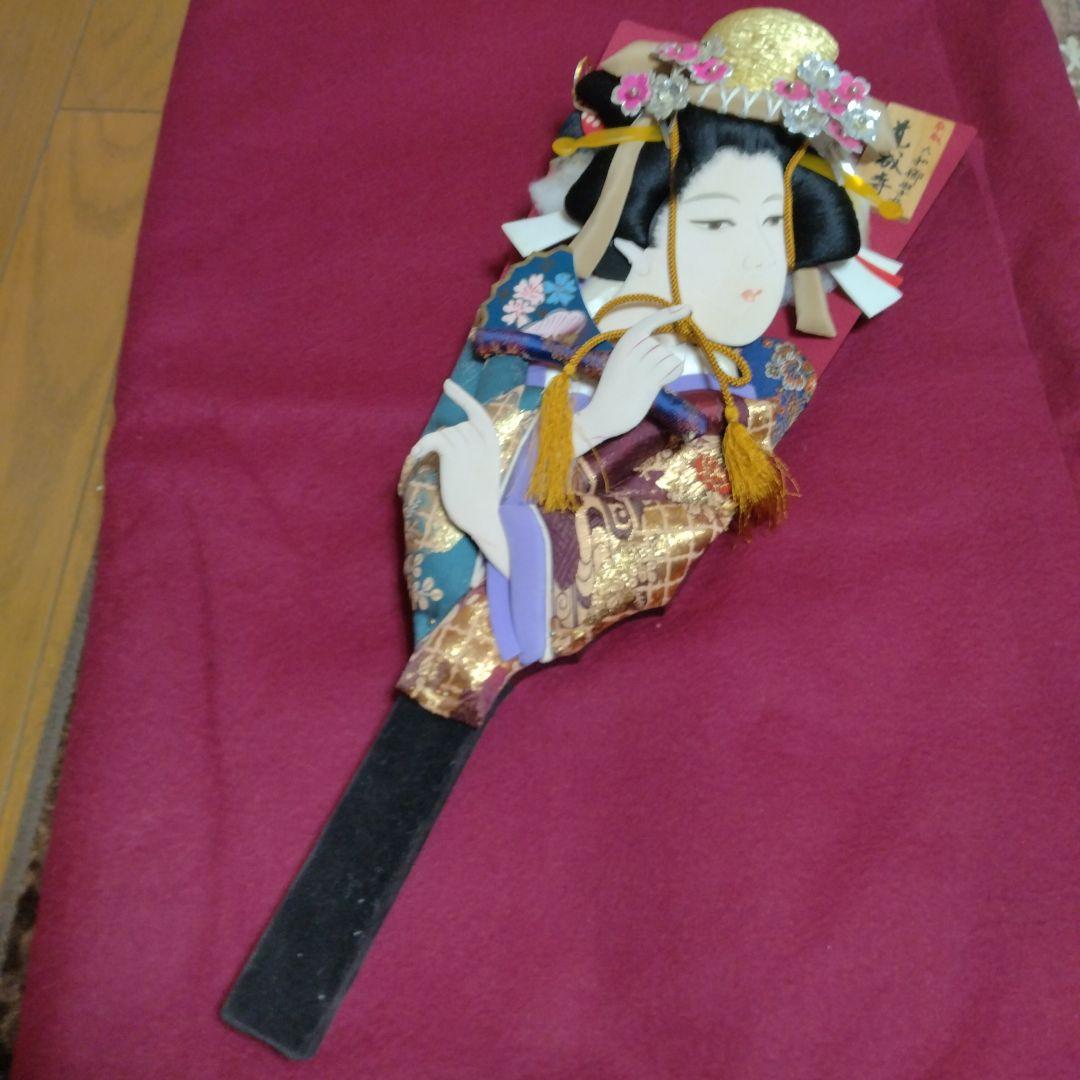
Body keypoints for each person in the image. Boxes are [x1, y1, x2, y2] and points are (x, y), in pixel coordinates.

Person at [396, 15, 886, 725]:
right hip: (459, 603)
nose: (756, 258)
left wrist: (495, 514)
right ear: (642, 217)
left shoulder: (752, 392)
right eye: (715, 222)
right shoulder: (542, 306)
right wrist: (591, 421)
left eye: (772, 225)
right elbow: (447, 450)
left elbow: (637, 561)